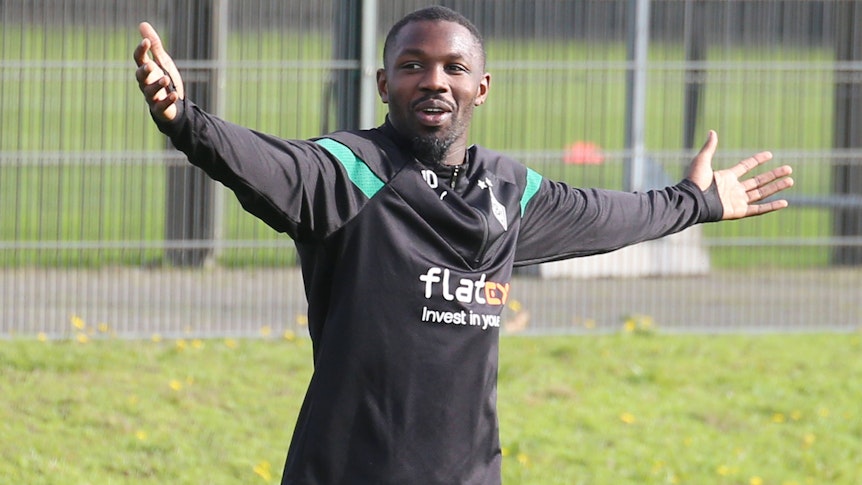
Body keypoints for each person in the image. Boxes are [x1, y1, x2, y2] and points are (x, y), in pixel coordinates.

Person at [134, 6, 793, 484]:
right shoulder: (346, 173)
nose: (434, 80)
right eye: (412, 66)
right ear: (384, 84)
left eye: (454, 67)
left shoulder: (509, 192)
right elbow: (262, 161)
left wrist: (697, 200)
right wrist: (184, 119)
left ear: (481, 87)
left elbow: (605, 214)